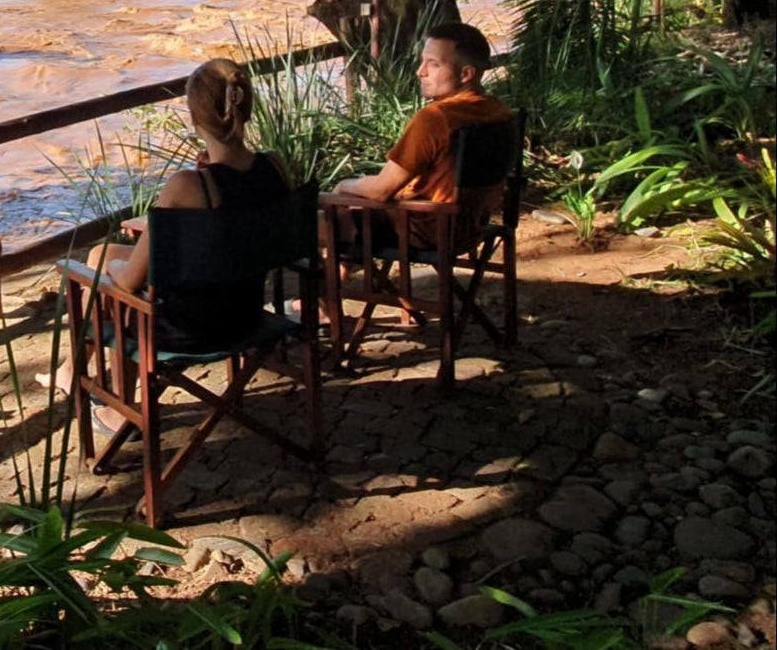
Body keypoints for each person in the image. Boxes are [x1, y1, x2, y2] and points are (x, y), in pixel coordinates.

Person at [39, 57, 291, 409]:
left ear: (195, 118)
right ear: (245, 109)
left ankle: (119, 411)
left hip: (190, 331)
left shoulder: (190, 186)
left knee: (104, 277)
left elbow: (128, 284)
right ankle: (70, 370)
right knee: (102, 255)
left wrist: (111, 274)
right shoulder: (275, 167)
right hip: (249, 314)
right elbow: (238, 230)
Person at [333, 21, 511, 248]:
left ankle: (322, 278)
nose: (420, 72)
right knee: (349, 217)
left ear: (466, 74)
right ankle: (339, 277)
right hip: (473, 225)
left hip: (424, 228)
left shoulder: (437, 118)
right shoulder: (499, 112)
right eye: (422, 61)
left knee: (308, 222)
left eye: (434, 64)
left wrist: (342, 185)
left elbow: (381, 190)